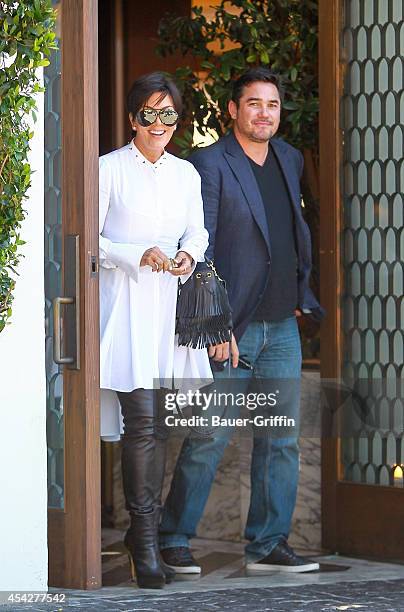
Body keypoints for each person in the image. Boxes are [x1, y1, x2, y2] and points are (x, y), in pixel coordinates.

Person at [159, 67, 324, 574]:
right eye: (253, 103)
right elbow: (198, 244)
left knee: (281, 438)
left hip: (281, 327)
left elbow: (293, 232)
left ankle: (268, 543)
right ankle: (172, 537)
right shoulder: (209, 164)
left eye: (272, 105)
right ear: (233, 110)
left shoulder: (290, 159)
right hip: (231, 327)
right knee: (211, 434)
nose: (264, 113)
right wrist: (215, 321)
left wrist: (302, 296)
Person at [98, 72, 212, 589]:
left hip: (171, 307)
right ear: (132, 118)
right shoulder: (108, 169)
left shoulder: (187, 174)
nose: (159, 124)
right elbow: (90, 240)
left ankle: (142, 536)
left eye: (169, 114)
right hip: (126, 306)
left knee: (161, 425)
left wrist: (189, 253)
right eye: (150, 113)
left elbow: (198, 229)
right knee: (142, 423)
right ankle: (144, 543)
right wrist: (131, 255)